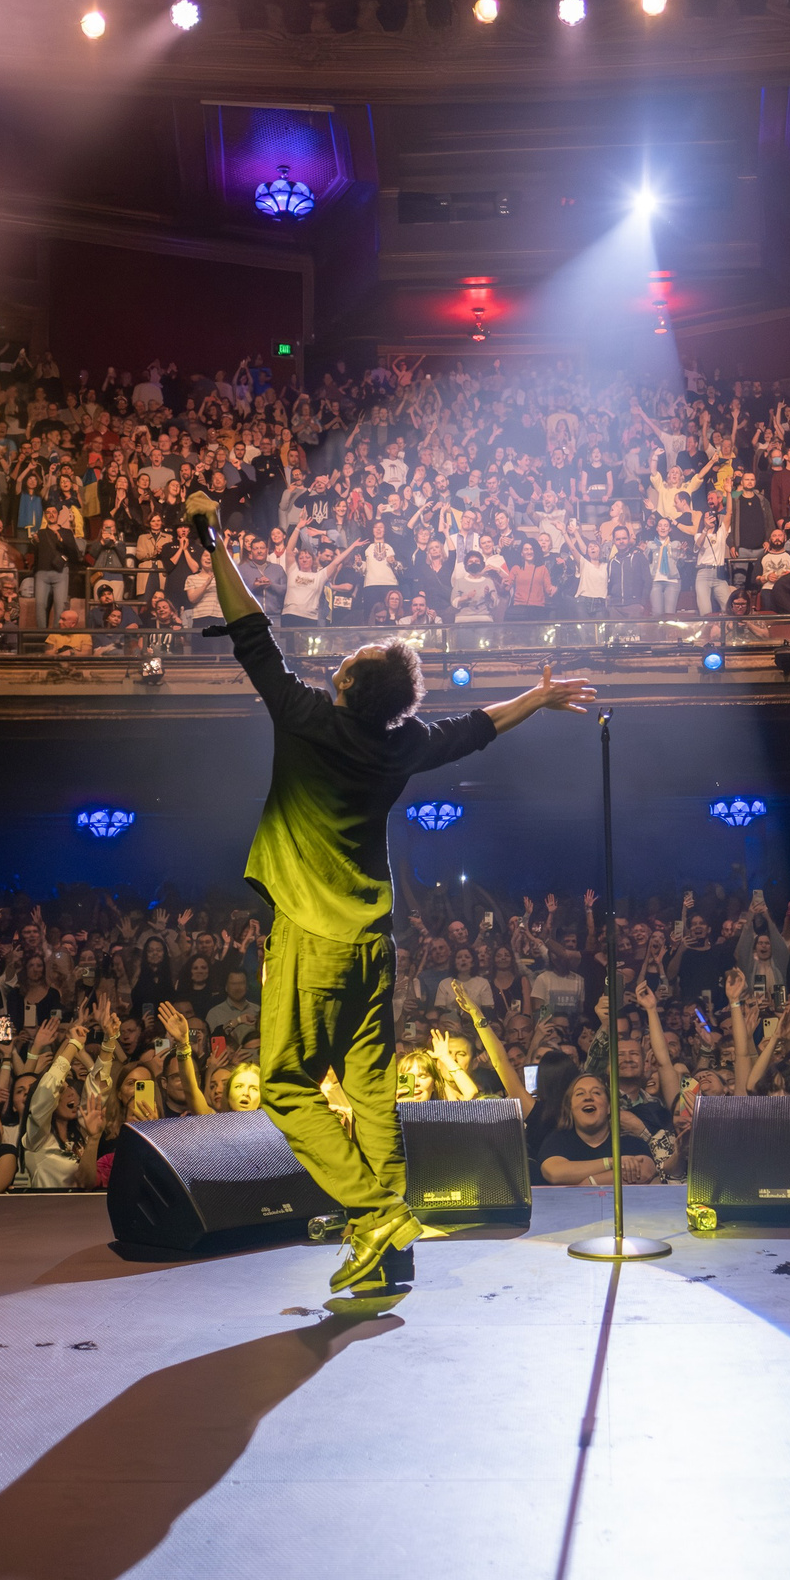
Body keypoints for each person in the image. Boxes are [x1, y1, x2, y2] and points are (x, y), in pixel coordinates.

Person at [185, 485, 596, 1294]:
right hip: (376, 940)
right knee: (370, 1086)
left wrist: (212, 540)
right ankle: (388, 1254)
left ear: (348, 684)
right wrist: (540, 699)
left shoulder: (306, 716)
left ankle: (376, 1213)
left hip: (313, 932)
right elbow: (478, 725)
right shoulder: (403, 744)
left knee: (288, 1087)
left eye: (351, 657)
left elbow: (250, 631)